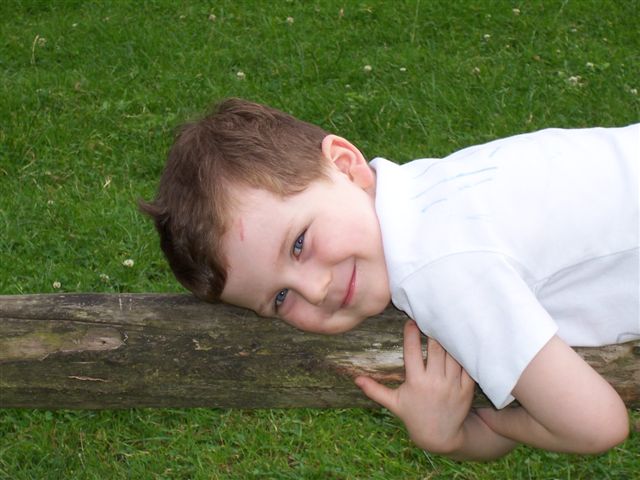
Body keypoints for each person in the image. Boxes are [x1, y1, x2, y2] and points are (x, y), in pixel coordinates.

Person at [140, 98, 639, 461]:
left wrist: (472, 429)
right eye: (280, 297)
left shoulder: (439, 268)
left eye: (299, 244)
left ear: (345, 165)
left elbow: (596, 425)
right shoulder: (427, 190)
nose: (315, 290)